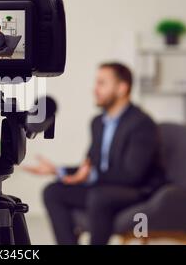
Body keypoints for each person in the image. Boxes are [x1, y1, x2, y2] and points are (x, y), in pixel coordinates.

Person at [23, 62, 165, 245]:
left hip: (136, 189)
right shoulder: (97, 122)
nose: (95, 89)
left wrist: (91, 175)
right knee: (53, 191)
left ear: (122, 88)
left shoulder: (141, 124)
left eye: (102, 83)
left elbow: (133, 175)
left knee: (99, 196)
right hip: (102, 187)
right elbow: (89, 167)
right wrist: (58, 171)